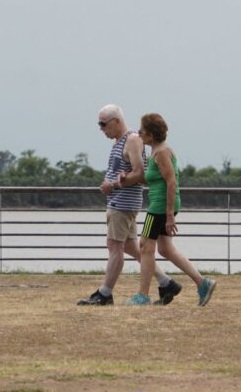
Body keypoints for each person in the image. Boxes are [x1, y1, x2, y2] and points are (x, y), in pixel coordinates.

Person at [77, 105, 182, 306]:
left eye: (103, 124)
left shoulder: (132, 139)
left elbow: (140, 173)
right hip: (119, 201)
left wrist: (114, 184)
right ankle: (166, 282)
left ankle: (105, 294)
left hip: (123, 203)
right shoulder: (119, 142)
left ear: (116, 121)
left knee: (114, 247)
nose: (101, 129)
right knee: (132, 248)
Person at [119, 113, 216, 306]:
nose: (139, 134)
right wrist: (126, 177)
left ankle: (142, 296)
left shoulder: (162, 152)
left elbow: (171, 182)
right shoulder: (156, 151)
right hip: (162, 206)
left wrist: (170, 215)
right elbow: (153, 178)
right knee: (165, 248)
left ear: (151, 136)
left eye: (142, 131)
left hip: (160, 207)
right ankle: (202, 283)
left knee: (145, 247)